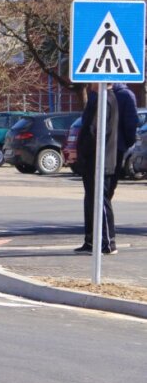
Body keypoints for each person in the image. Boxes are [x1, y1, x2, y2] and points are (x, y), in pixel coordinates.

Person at [75, 84, 121, 255]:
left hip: (100, 159)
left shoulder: (105, 99)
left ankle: (108, 242)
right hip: (94, 159)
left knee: (101, 201)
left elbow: (93, 131)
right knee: (91, 201)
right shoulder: (100, 98)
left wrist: (83, 152)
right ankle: (91, 240)